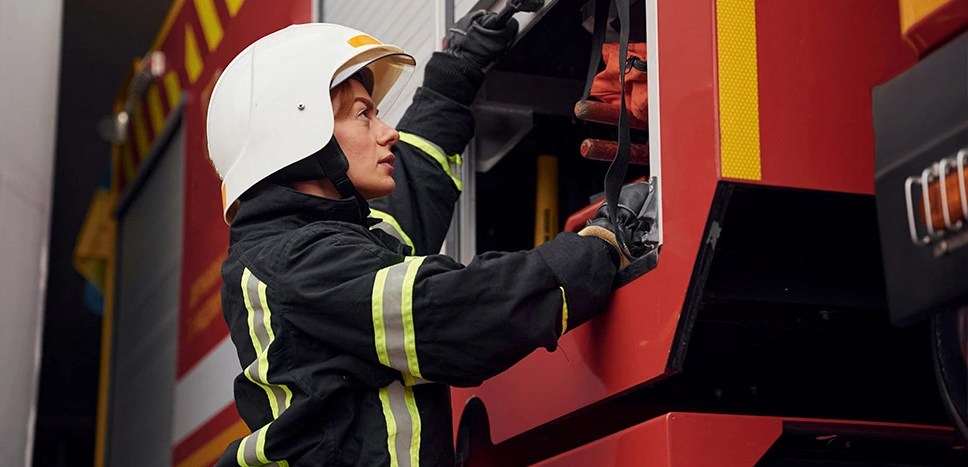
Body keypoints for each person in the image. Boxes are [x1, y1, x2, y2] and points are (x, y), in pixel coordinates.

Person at [205, 11, 655, 467]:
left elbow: (415, 183)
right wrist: (598, 248)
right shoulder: (298, 262)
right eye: (364, 115)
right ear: (299, 138)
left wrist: (455, 72)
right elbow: (454, 313)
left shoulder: (318, 245)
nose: (388, 133)